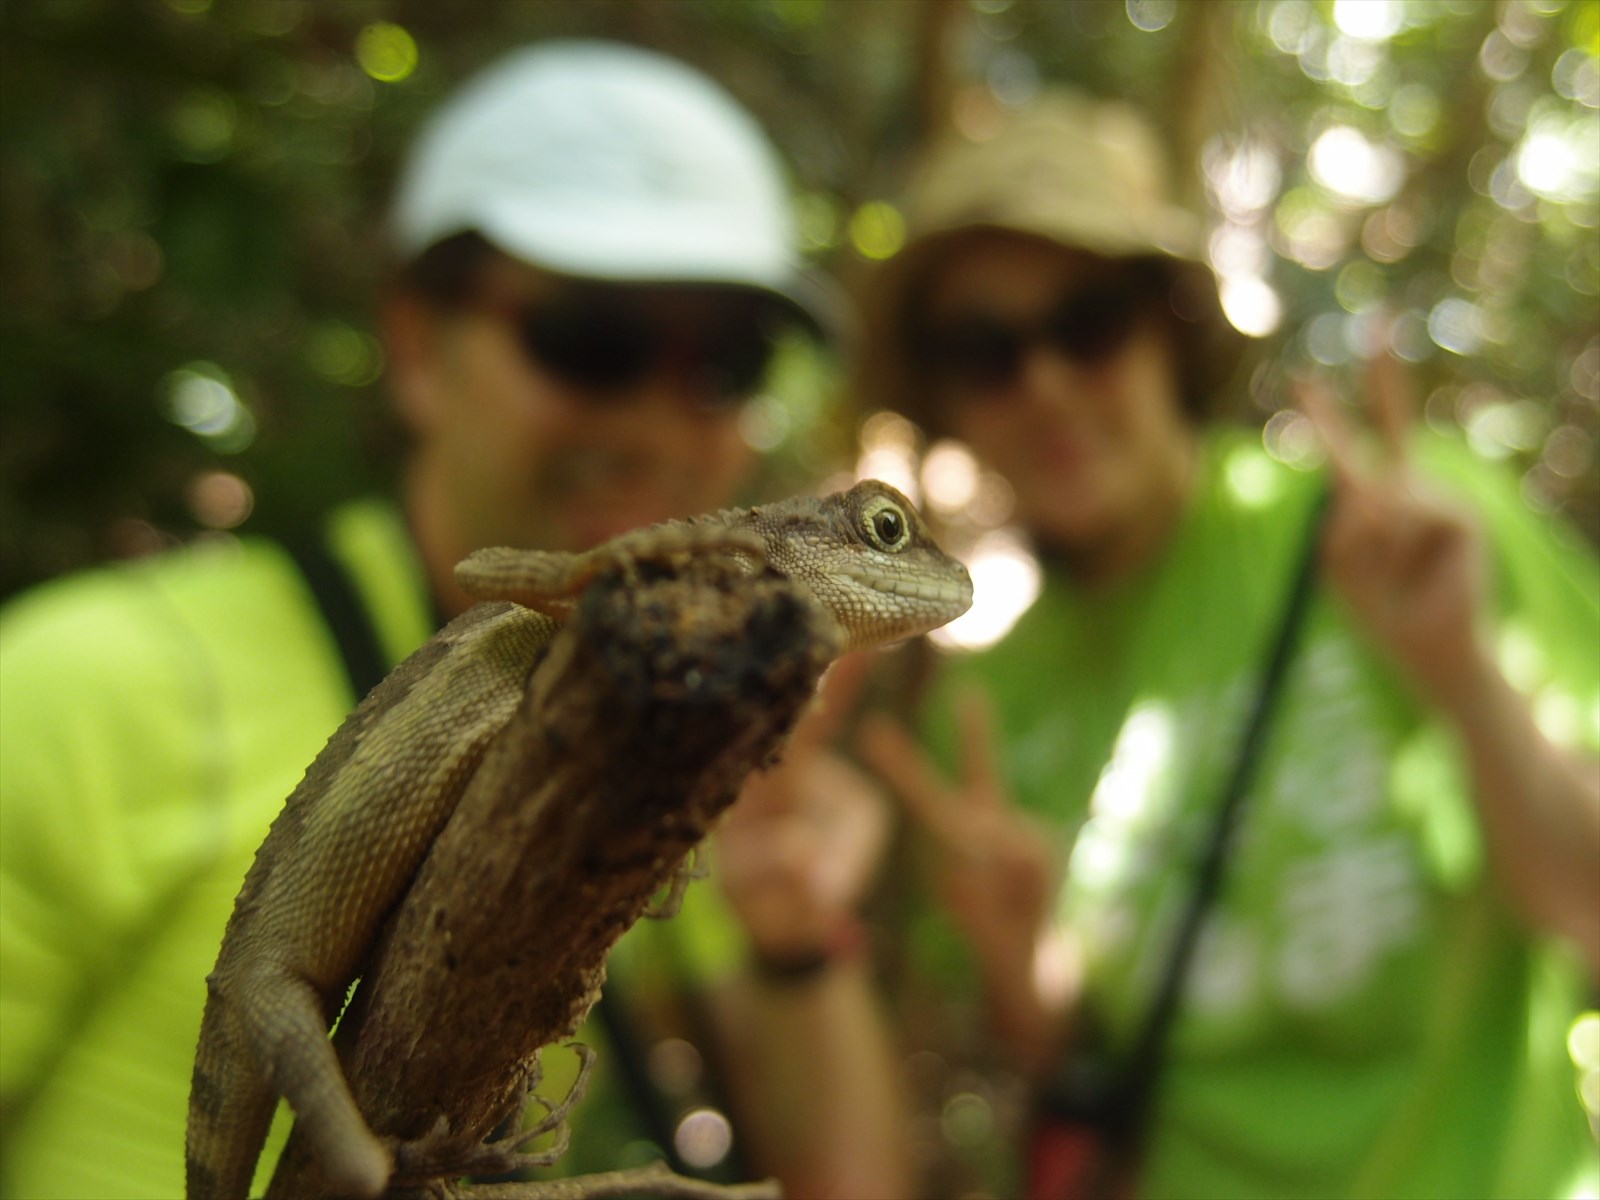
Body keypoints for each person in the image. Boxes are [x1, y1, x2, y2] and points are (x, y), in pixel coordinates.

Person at [0, 41, 908, 1199]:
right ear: (421, 346)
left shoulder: (656, 727)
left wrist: (795, 929)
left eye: (723, 364)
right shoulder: (87, 682)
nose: (653, 423)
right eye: (592, 340)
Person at [854, 90, 1600, 1199]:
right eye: (984, 350)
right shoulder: (983, 712)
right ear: (946, 397)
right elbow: (1072, 1062)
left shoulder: (1406, 530)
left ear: (1165, 323)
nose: (1046, 383)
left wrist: (1466, 678)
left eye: (1088, 321)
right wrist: (1022, 969)